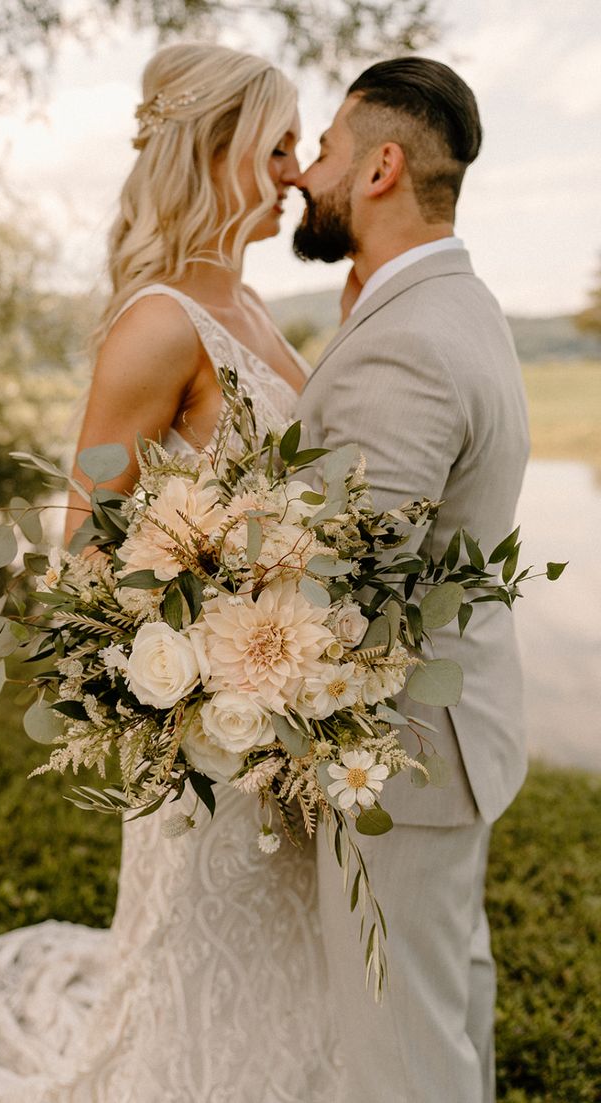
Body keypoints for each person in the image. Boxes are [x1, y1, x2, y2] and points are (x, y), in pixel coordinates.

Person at [0, 43, 345, 1102]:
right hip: (209, 713)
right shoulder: (156, 323)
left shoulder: (253, 306)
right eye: (276, 148)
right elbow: (85, 540)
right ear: (219, 153)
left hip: (291, 689)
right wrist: (197, 658)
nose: (293, 173)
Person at [294, 56, 530, 1103]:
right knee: (444, 990)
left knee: (399, 1047)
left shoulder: (411, 345)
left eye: (324, 151)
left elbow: (349, 589)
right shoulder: (459, 303)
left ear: (380, 166)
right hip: (454, 730)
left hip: (402, 756)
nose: (306, 174)